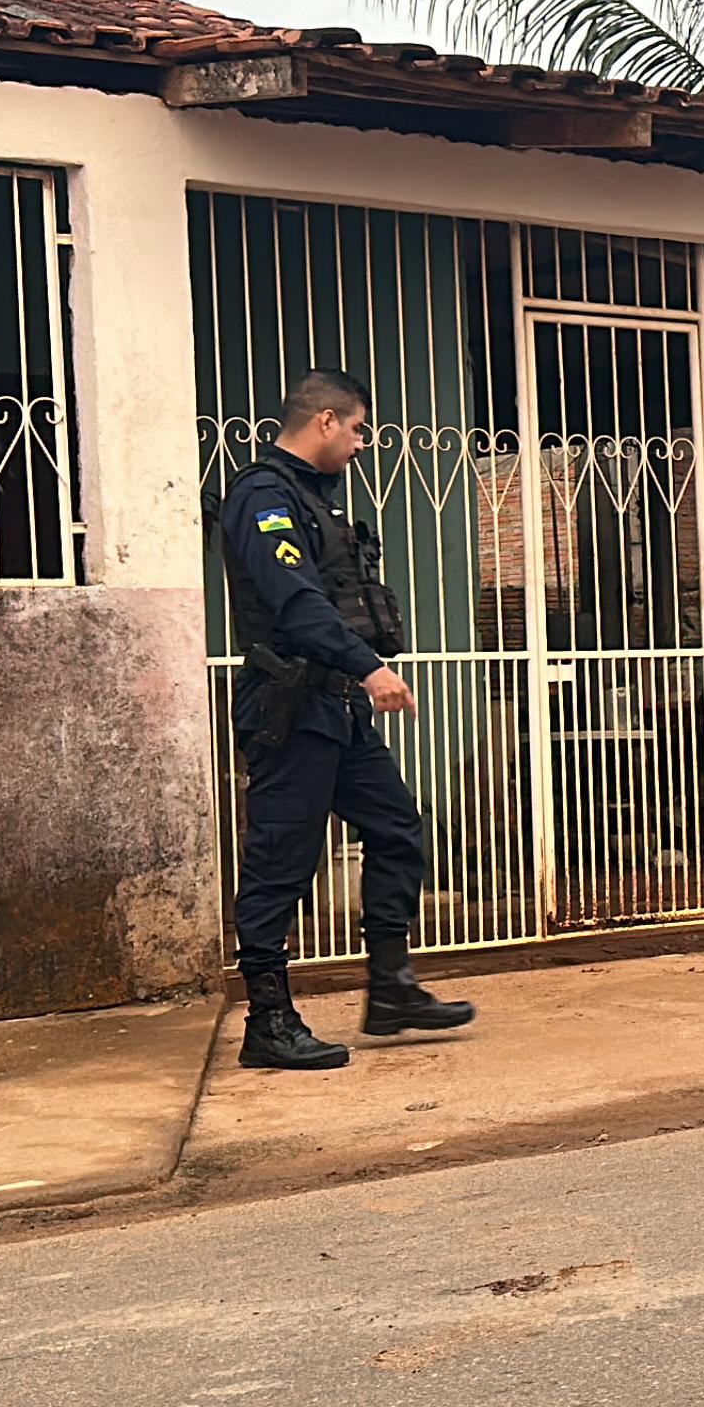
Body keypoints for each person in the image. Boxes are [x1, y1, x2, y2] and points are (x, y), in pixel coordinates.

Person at [217, 370, 475, 1071]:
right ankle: (269, 1022)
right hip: (291, 708)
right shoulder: (263, 496)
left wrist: (356, 676)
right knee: (281, 863)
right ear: (325, 420)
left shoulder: (312, 500)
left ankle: (391, 987)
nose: (362, 443)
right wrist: (369, 667)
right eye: (358, 428)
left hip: (337, 708)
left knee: (397, 827)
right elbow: (296, 603)